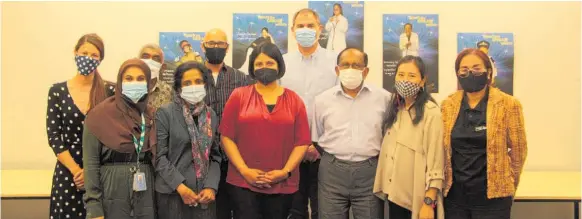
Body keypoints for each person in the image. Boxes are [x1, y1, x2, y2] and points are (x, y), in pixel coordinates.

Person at [219, 43, 311, 219]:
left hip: (282, 182)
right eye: (259, 64)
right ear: (252, 67)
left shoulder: (294, 99)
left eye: (269, 63)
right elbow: (226, 137)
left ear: (279, 65)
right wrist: (245, 170)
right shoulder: (238, 96)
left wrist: (284, 172)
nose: (264, 68)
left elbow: (302, 142)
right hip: (243, 181)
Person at [442, 48, 527, 219]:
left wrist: (508, 183)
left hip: (494, 198)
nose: (470, 73)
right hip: (455, 198)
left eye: (476, 68)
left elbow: (519, 151)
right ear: (457, 74)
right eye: (464, 70)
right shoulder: (448, 105)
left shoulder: (508, 104)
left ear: (488, 72)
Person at [312, 48, 389, 219]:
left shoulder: (384, 98)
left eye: (356, 65)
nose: (350, 69)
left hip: (370, 172)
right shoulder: (322, 100)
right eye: (345, 65)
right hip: (332, 172)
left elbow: (388, 137)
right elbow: (317, 138)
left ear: (366, 71)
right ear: (337, 70)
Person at [46, 33, 114, 219]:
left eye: (94, 55)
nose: (88, 59)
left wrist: (91, 173)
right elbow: (54, 137)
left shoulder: (109, 91)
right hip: (69, 172)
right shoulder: (57, 91)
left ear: (100, 59)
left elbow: (113, 135)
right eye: (84, 53)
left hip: (101, 170)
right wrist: (78, 172)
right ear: (75, 52)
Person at [282, 8, 339, 219]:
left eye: (310, 26)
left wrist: (317, 143)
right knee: (293, 211)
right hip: (289, 151)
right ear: (292, 30)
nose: (305, 30)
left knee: (323, 211)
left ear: (320, 29)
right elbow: (278, 108)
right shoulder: (282, 63)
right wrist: (299, 145)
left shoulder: (335, 63)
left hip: (325, 151)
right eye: (300, 26)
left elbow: (339, 108)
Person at [83, 59, 156, 219]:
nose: (134, 83)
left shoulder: (152, 115)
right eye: (129, 79)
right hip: (110, 192)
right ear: (120, 82)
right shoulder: (98, 116)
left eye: (140, 79)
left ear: (148, 83)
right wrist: (93, 206)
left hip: (146, 196)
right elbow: (91, 164)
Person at [373, 56, 444, 219]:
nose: (405, 80)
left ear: (422, 80)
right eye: (401, 75)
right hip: (394, 195)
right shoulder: (395, 109)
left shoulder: (431, 112)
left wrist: (428, 202)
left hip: (417, 199)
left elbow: (436, 162)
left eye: (412, 76)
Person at [155, 61, 222, 219]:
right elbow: (159, 157)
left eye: (198, 82)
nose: (193, 86)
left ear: (205, 85)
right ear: (178, 87)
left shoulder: (210, 115)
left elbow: (215, 156)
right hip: (173, 194)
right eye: (187, 83)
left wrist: (211, 186)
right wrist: (181, 187)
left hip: (204, 196)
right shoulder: (165, 113)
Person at [200, 28, 254, 219]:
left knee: (241, 210)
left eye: (220, 44)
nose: (216, 47)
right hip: (202, 160)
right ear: (203, 46)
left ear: (227, 48)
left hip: (236, 159)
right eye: (211, 43)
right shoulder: (193, 78)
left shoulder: (241, 79)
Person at [138, 43, 174, 112]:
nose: (150, 61)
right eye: (145, 57)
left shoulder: (168, 91)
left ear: (163, 67)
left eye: (156, 59)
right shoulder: (129, 87)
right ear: (137, 61)